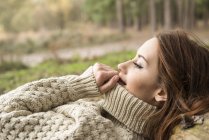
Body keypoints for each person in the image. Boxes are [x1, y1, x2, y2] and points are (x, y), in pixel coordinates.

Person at [0, 29, 208, 140]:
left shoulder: (92, 130)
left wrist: (77, 85)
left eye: (138, 64)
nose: (121, 65)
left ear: (162, 92)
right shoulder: (105, 115)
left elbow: (4, 116)